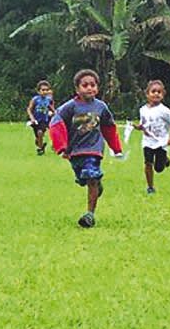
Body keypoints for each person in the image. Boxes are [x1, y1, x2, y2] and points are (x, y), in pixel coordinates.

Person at [50, 68, 122, 228]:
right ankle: (96, 184)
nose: (89, 88)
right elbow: (56, 123)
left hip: (93, 150)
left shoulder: (101, 107)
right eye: (85, 85)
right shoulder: (70, 107)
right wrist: (62, 146)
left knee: (90, 175)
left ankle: (90, 214)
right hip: (74, 151)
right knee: (83, 179)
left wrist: (116, 148)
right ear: (77, 89)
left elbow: (109, 127)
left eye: (93, 85)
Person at [136, 79, 170, 196]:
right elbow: (143, 124)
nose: (156, 94)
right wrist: (138, 127)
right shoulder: (142, 110)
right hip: (148, 142)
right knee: (148, 163)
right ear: (147, 94)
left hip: (161, 142)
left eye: (159, 92)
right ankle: (150, 187)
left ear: (163, 95)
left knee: (159, 168)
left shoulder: (165, 111)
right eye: (153, 91)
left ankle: (165, 159)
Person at [26, 80, 56, 155]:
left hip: (44, 120)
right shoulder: (35, 99)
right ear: (39, 91)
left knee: (40, 132)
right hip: (35, 120)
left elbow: (51, 107)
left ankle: (40, 149)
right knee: (38, 136)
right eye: (43, 90)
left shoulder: (48, 100)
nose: (45, 92)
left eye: (46, 90)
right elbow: (29, 109)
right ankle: (41, 144)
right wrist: (32, 118)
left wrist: (55, 114)